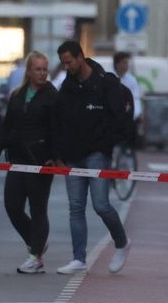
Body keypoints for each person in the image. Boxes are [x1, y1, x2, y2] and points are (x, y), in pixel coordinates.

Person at [52, 40, 132, 274]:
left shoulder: (105, 83)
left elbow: (120, 117)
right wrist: (59, 153)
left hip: (97, 153)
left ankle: (122, 243)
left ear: (80, 57)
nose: (67, 67)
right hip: (73, 155)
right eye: (63, 63)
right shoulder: (68, 87)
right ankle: (79, 258)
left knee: (101, 205)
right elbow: (59, 120)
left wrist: (107, 142)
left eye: (69, 62)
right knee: (76, 207)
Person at [0, 51, 58, 274]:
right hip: (17, 159)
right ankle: (36, 242)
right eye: (38, 69)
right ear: (29, 71)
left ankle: (35, 258)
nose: (43, 73)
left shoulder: (52, 96)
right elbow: (7, 128)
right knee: (12, 206)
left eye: (45, 69)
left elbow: (57, 130)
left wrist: (53, 155)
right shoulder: (17, 95)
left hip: (40, 161)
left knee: (38, 210)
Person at [113, 52, 143, 145]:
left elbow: (136, 98)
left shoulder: (131, 80)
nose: (127, 66)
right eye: (124, 63)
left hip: (127, 116)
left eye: (127, 63)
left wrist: (135, 114)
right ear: (117, 64)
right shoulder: (110, 78)